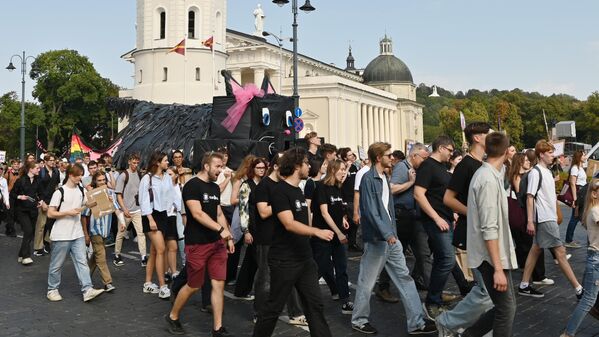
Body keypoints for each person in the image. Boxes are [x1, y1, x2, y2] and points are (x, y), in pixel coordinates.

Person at [351, 142, 436, 335]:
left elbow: (387, 210)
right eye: (388, 155)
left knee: (404, 278)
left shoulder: (383, 177)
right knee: (367, 281)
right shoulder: (368, 179)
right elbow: (371, 212)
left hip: (390, 237)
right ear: (379, 157)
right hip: (378, 239)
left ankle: (416, 322)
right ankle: (359, 319)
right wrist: (388, 234)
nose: (392, 158)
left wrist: (392, 234)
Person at [252, 147, 334, 337]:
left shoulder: (298, 190)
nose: (309, 166)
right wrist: (316, 232)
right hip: (284, 261)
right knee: (274, 308)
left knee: (315, 305)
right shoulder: (280, 191)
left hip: (304, 259)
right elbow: (289, 224)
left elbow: (304, 219)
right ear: (297, 166)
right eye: (306, 163)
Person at [165, 151, 235, 337]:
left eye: (222, 167)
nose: (220, 170)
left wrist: (227, 236)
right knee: (194, 285)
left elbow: (218, 213)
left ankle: (217, 328)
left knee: (218, 284)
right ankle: (173, 316)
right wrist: (221, 231)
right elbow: (196, 213)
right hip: (198, 243)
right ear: (206, 166)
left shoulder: (213, 188)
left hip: (217, 244)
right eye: (218, 167)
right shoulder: (192, 186)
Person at [466, 132, 518, 336]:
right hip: (491, 257)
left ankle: (469, 335)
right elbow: (489, 228)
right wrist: (498, 268)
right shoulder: (486, 179)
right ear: (506, 152)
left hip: (492, 254)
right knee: (506, 308)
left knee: (504, 307)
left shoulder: (489, 174)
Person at [518, 140, 583, 299]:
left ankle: (524, 285)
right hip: (544, 218)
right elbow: (529, 197)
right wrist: (529, 221)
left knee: (536, 249)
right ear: (541, 154)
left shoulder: (546, 172)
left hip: (548, 217)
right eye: (550, 153)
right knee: (560, 252)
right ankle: (578, 288)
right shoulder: (536, 172)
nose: (553, 156)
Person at [253, 153, 308, 326]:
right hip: (266, 238)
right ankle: (259, 313)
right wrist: (282, 204)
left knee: (290, 276)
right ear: (276, 167)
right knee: (265, 277)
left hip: (285, 239)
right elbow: (262, 212)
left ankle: (295, 312)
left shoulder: (287, 187)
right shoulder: (264, 186)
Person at [46, 164, 105, 302]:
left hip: (77, 233)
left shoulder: (80, 190)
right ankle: (52, 289)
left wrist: (98, 201)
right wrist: (67, 212)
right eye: (78, 175)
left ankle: (87, 289)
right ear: (71, 175)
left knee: (82, 262)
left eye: (81, 175)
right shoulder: (59, 192)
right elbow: (50, 213)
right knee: (57, 264)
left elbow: (86, 204)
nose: (80, 178)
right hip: (61, 234)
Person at [414, 135, 456, 318]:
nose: (451, 154)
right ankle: (432, 300)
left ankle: (435, 297)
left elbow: (441, 194)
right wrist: (436, 218)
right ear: (441, 148)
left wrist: (451, 213)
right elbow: (418, 194)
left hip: (445, 219)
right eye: (450, 150)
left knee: (441, 259)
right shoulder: (427, 166)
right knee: (447, 259)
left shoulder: (441, 167)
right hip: (435, 221)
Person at [387, 143, 432, 292]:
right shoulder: (402, 167)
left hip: (414, 216)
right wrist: (411, 182)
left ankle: (424, 283)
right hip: (403, 216)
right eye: (424, 158)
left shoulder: (417, 169)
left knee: (423, 253)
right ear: (414, 156)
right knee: (396, 253)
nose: (425, 161)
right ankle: (384, 286)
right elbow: (392, 188)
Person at [311, 159, 353, 314]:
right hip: (324, 235)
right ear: (333, 170)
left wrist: (342, 219)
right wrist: (339, 232)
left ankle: (345, 300)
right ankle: (304, 296)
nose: (344, 172)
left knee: (341, 268)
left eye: (344, 169)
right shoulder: (321, 187)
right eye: (341, 169)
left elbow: (336, 208)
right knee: (320, 267)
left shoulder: (338, 187)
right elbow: (324, 213)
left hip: (337, 235)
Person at [508, 153, 552, 286]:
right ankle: (537, 275)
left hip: (527, 213)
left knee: (530, 245)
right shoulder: (516, 177)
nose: (528, 162)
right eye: (525, 160)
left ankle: (534, 273)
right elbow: (522, 194)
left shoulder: (528, 174)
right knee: (530, 245)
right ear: (519, 162)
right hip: (522, 215)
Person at [562, 178, 599, 336]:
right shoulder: (595, 211)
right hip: (596, 260)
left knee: (589, 299)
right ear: (595, 194)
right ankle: (568, 333)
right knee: (588, 300)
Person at [139, 152, 175, 299]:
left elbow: (170, 196)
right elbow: (143, 200)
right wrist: (150, 219)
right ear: (158, 162)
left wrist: (173, 211)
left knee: (154, 251)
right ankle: (162, 286)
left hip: (163, 215)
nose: (168, 162)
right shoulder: (147, 178)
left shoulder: (167, 177)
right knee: (161, 249)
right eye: (166, 160)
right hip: (151, 215)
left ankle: (147, 283)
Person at [234, 157, 268, 300]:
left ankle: (241, 290)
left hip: (264, 226)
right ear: (252, 169)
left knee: (251, 260)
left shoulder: (265, 184)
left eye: (263, 168)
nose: (261, 170)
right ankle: (246, 291)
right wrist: (246, 230)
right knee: (258, 261)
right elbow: (243, 209)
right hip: (252, 226)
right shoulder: (246, 185)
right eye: (258, 167)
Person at [84, 171, 117, 292]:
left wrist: (111, 202)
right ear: (95, 181)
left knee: (96, 256)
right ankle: (107, 282)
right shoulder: (91, 194)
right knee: (101, 256)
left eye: (104, 180)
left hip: (105, 231)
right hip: (95, 230)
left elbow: (116, 209)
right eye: (99, 180)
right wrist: (86, 234)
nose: (102, 182)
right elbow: (84, 215)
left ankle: (84, 277)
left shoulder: (110, 193)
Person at [114, 153, 147, 267]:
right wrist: (124, 209)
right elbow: (118, 195)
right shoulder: (123, 175)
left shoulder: (138, 174)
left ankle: (143, 257)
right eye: (134, 163)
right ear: (129, 162)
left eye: (137, 163)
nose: (135, 165)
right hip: (125, 210)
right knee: (121, 234)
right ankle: (117, 255)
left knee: (141, 233)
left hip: (137, 209)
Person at [11, 161, 44, 265]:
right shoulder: (21, 181)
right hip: (21, 210)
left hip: (33, 210)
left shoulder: (38, 180)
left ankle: (21, 254)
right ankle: (26, 256)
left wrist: (41, 201)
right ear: (30, 169)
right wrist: (20, 197)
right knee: (28, 230)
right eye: (37, 168)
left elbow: (42, 193)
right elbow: (12, 193)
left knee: (30, 232)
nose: (39, 170)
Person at [564, 150, 588, 248]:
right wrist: (575, 198)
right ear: (579, 157)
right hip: (579, 193)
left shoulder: (580, 167)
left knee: (579, 217)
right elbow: (573, 183)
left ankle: (569, 240)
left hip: (582, 192)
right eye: (583, 155)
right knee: (575, 218)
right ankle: (568, 240)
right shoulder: (575, 168)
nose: (585, 156)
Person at [339, 148, 361, 251]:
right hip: (345, 198)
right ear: (344, 158)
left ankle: (352, 243)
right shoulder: (343, 168)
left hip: (354, 197)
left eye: (352, 155)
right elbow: (341, 182)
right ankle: (346, 241)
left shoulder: (355, 167)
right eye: (349, 155)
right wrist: (346, 168)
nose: (352, 157)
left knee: (354, 223)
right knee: (349, 221)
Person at [164, 167, 183, 281]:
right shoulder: (165, 187)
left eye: (170, 174)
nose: (168, 176)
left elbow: (180, 205)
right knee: (170, 247)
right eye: (166, 174)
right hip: (166, 218)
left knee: (169, 247)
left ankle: (168, 271)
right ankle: (172, 272)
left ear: (176, 175)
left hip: (174, 217)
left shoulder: (179, 187)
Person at [4, 159, 21, 236]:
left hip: (18, 196)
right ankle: (11, 230)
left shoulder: (20, 174)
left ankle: (8, 227)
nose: (16, 165)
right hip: (9, 195)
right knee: (10, 213)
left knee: (15, 213)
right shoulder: (8, 173)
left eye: (17, 164)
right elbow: (4, 185)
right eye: (15, 164)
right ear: (12, 165)